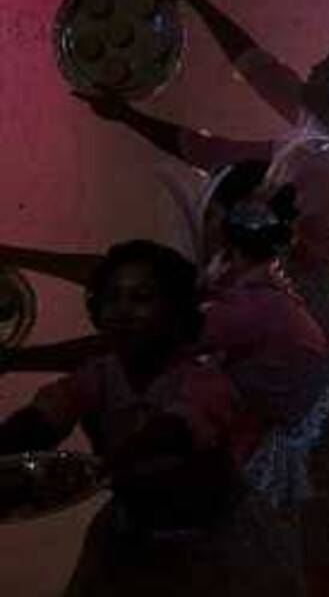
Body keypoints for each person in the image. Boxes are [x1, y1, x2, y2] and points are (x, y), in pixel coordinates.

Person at [73, 0, 329, 420]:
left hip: (303, 301)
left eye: (324, 68)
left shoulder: (322, 159)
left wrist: (128, 117)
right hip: (311, 286)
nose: (312, 69)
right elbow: (256, 64)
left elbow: (212, 151)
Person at [0, 241, 303, 596]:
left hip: (214, 544)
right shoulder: (98, 376)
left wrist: (110, 464)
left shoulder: (202, 380)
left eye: (142, 298)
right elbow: (46, 417)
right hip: (135, 535)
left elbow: (176, 429)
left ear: (176, 313)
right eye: (112, 298)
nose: (123, 311)